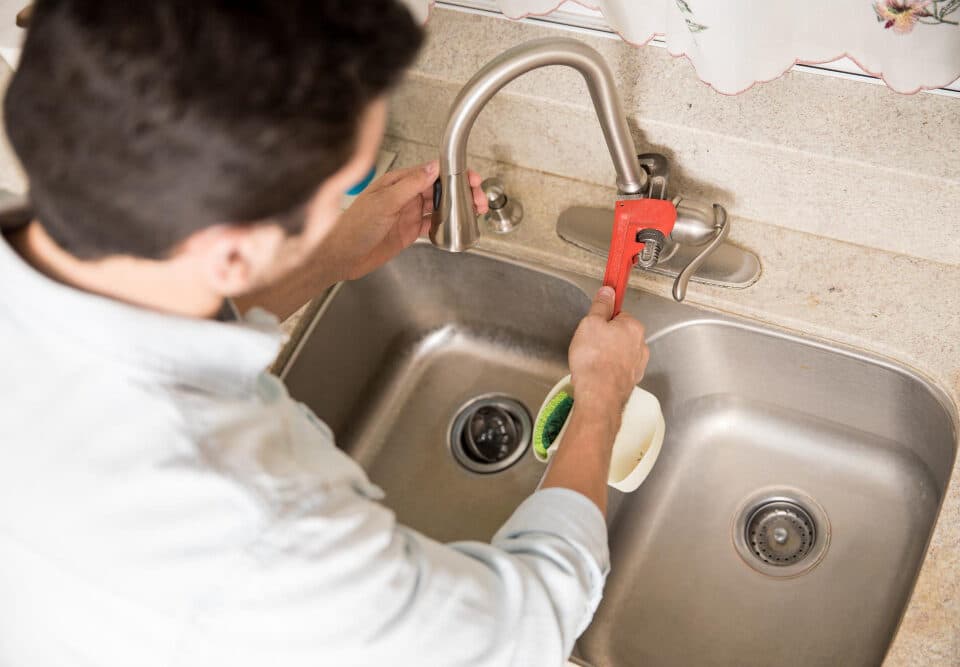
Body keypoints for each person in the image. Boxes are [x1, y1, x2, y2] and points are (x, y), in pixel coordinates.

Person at [0, 2, 649, 665]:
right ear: (231, 252)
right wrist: (599, 403)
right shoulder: (259, 529)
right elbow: (525, 623)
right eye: (333, 190)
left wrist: (322, 256)